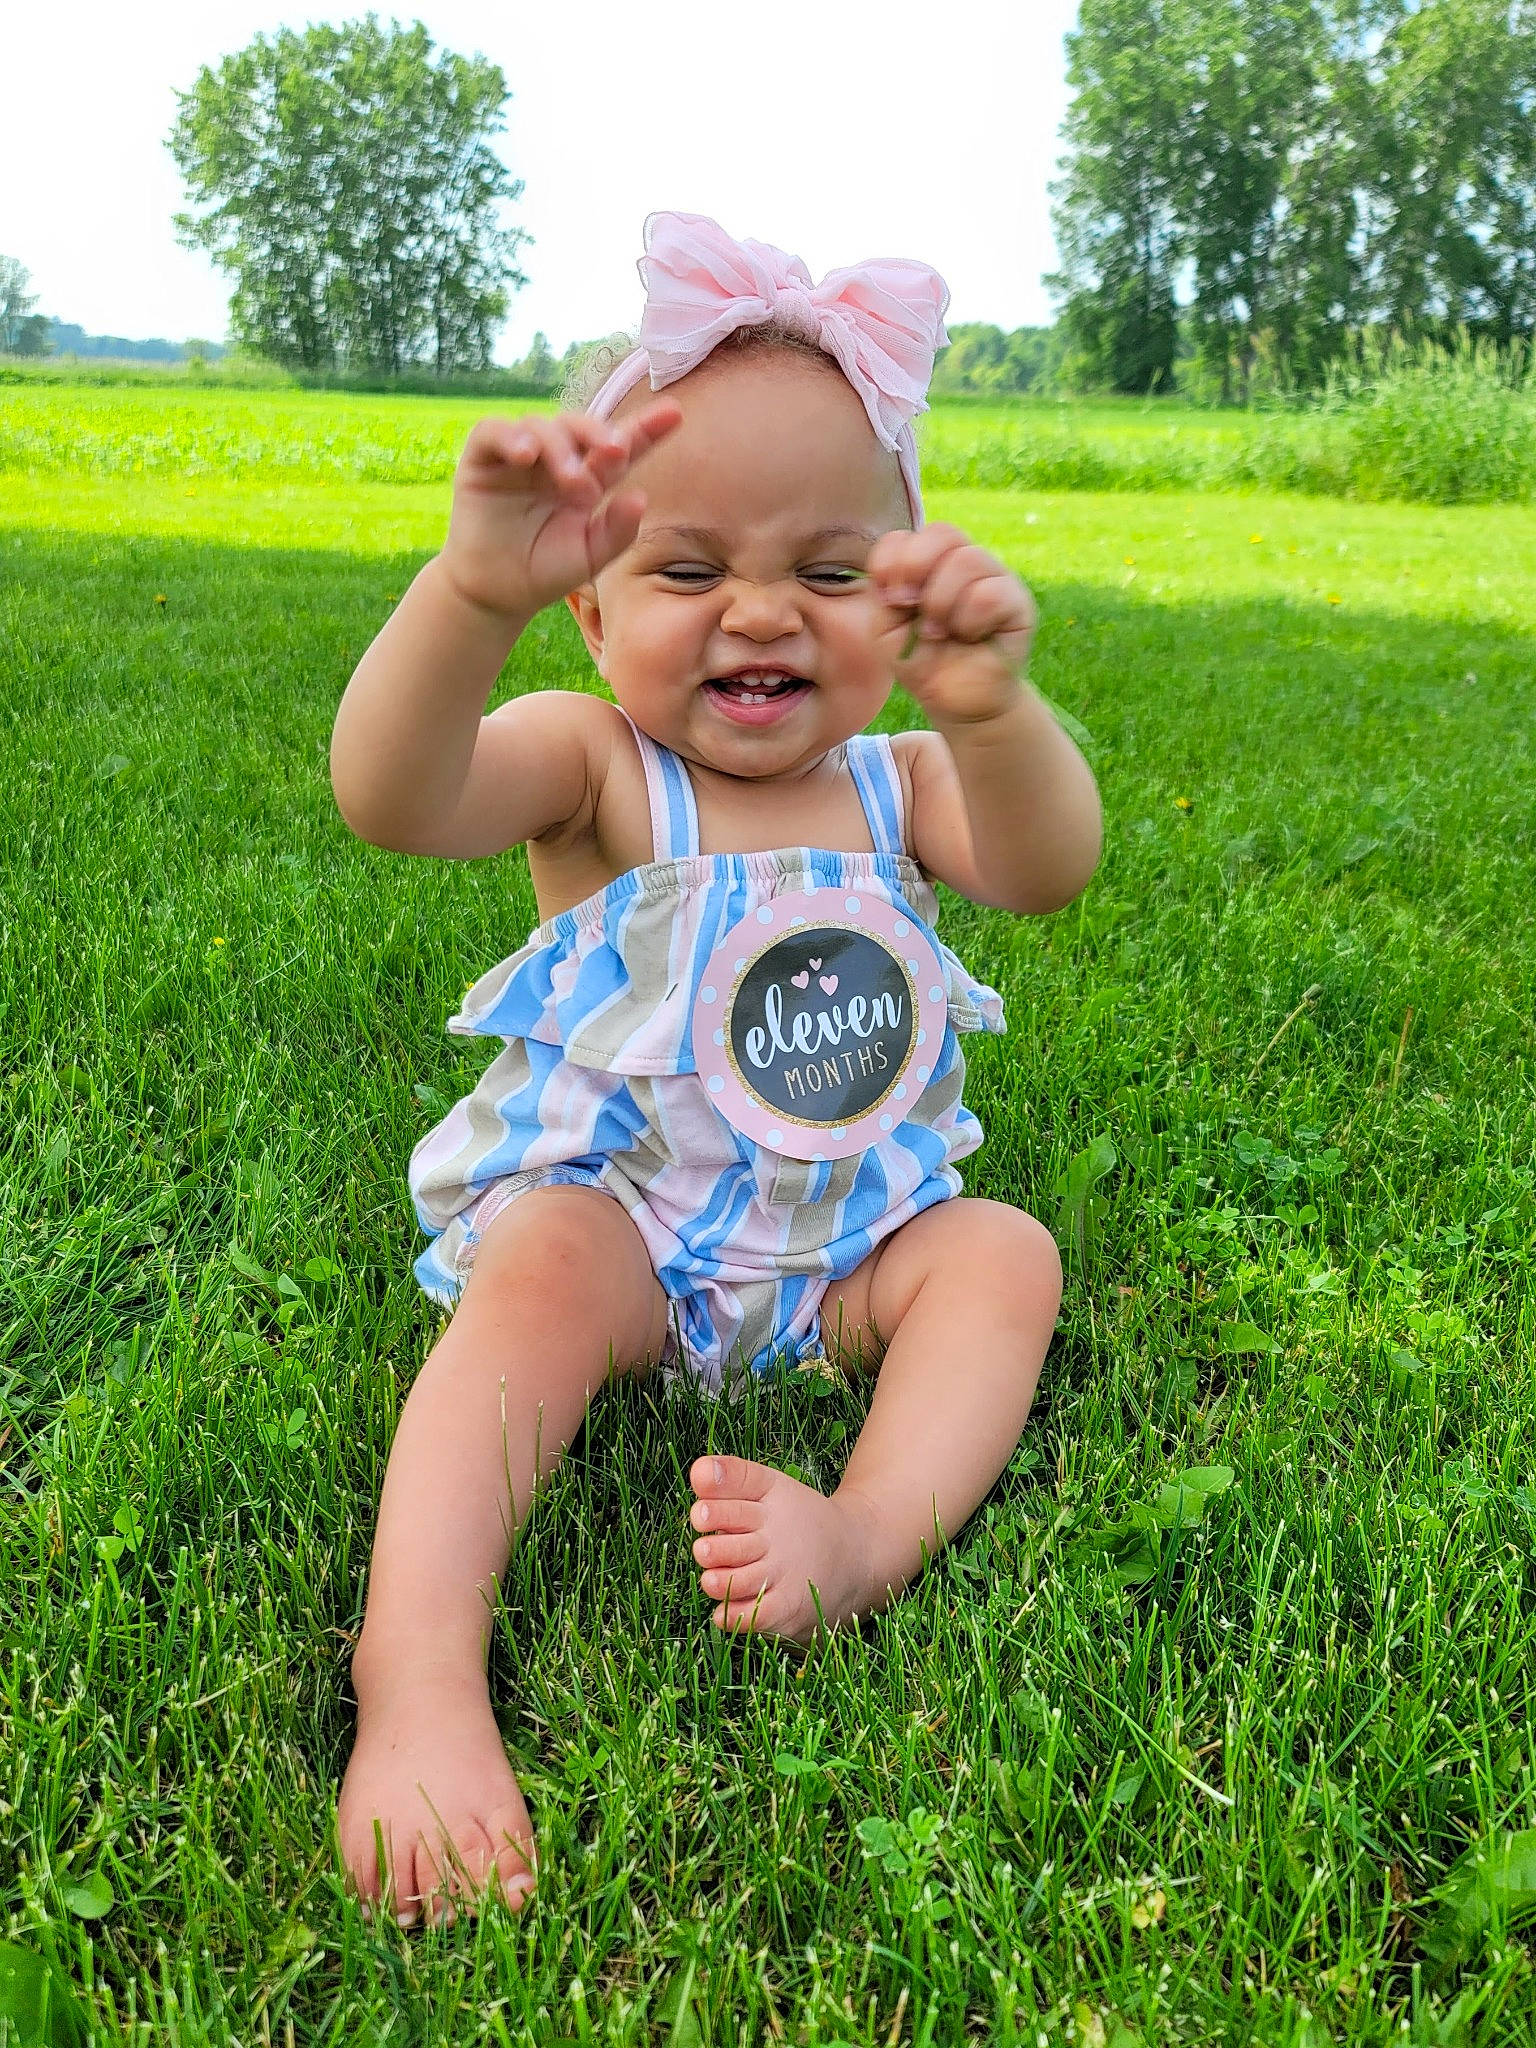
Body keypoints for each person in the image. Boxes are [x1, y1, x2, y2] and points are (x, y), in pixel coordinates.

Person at [328, 211, 1102, 1928]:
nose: (763, 611)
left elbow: (1048, 868)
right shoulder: (596, 766)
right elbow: (391, 796)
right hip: (622, 1233)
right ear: (587, 604)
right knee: (532, 1280)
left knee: (1003, 1256)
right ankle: (420, 1677)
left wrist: (996, 711)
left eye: (832, 574)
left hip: (834, 1258)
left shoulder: (901, 777)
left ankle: (863, 1534)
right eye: (689, 573)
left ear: (898, 611)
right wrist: (466, 594)